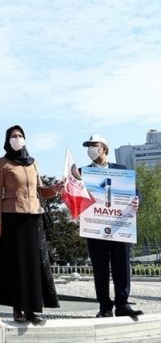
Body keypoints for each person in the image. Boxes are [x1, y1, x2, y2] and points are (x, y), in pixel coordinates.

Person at [0, 125, 60, 324]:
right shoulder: (1, 163)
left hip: (34, 216)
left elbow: (39, 190)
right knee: (17, 263)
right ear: (7, 140)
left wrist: (53, 189)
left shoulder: (33, 162)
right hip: (12, 217)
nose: (17, 139)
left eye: (20, 136)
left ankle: (33, 309)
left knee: (34, 263)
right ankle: (18, 307)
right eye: (13, 136)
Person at [82, 134, 142, 318]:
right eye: (88, 146)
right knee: (100, 268)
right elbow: (75, 195)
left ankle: (122, 305)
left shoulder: (121, 170)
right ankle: (105, 307)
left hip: (120, 226)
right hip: (96, 227)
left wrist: (137, 200)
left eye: (95, 145)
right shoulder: (83, 172)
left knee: (122, 266)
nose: (91, 148)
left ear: (104, 148)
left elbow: (135, 191)